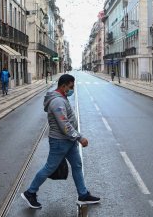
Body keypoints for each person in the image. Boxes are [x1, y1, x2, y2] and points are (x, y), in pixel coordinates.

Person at [21, 74, 100, 209]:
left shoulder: (62, 97)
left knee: (77, 165)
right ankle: (30, 192)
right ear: (63, 86)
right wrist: (80, 137)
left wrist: (74, 138)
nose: (72, 89)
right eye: (71, 86)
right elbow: (64, 124)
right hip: (60, 142)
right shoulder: (57, 101)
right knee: (49, 167)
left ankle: (83, 194)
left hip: (68, 141)